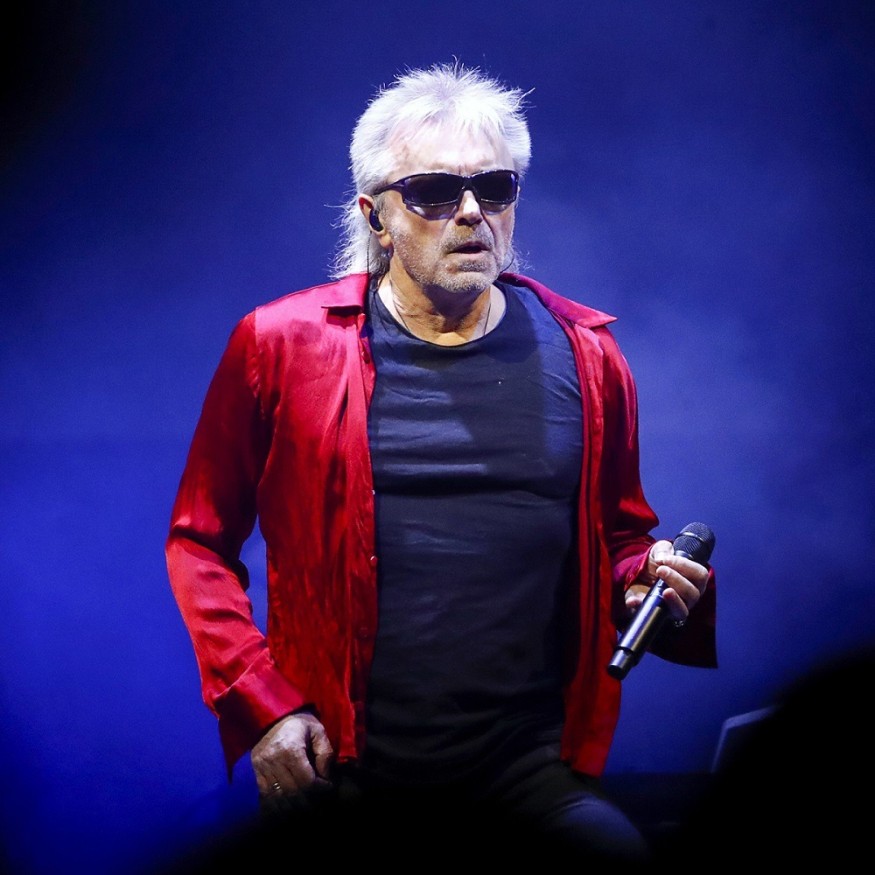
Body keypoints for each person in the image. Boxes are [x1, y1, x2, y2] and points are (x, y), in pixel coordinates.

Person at [165, 61, 717, 869]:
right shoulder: (279, 345)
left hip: (527, 770)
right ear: (376, 216)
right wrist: (264, 706)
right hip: (343, 770)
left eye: (493, 188)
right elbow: (198, 543)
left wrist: (648, 580)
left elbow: (619, 539)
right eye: (431, 192)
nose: (469, 212)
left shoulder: (588, 354)